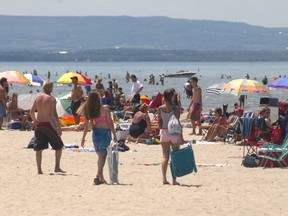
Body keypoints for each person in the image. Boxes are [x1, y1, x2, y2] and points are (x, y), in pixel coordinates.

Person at [78, 91, 117, 185]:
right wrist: (114, 134)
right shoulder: (105, 108)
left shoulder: (89, 110)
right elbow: (110, 123)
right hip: (105, 133)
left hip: (96, 133)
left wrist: (83, 138)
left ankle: (101, 177)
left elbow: (86, 126)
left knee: (100, 156)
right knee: (103, 155)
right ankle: (97, 175)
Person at [30, 80, 65, 174]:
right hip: (47, 124)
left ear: (43, 87)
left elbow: (31, 111)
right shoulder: (51, 99)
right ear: (51, 88)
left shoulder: (37, 97)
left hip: (39, 124)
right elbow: (54, 115)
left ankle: (39, 170)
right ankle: (57, 167)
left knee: (39, 148)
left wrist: (35, 121)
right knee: (59, 146)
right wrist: (59, 127)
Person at [158, 89, 184, 185]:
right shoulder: (175, 109)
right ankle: (174, 179)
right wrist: (182, 137)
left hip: (164, 132)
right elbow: (178, 123)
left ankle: (164, 179)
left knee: (165, 156)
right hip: (174, 133)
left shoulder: (160, 108)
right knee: (175, 157)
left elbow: (159, 124)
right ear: (171, 97)